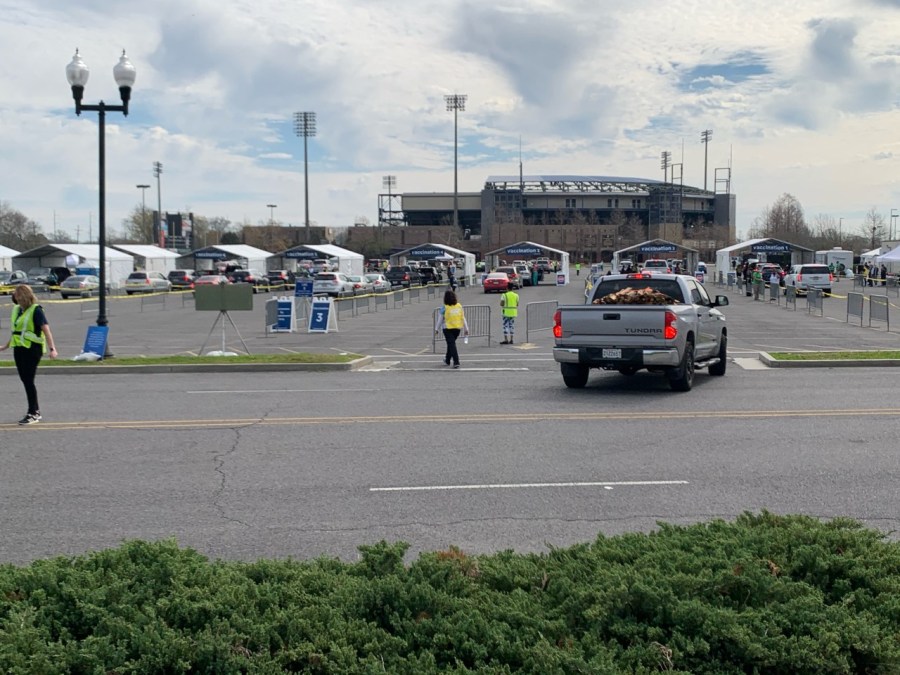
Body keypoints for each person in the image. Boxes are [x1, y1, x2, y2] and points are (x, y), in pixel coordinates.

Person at [0, 284, 58, 424]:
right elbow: (16, 332)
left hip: (32, 349)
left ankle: (34, 412)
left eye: (17, 294)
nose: (15, 297)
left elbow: (46, 330)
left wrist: (52, 349)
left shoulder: (36, 310)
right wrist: (5, 346)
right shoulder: (17, 310)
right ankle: (34, 410)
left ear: (23, 296)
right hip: (19, 348)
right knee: (25, 380)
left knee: (28, 380)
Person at [434, 289, 468, 369]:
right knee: (451, 344)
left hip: (447, 328)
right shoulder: (459, 306)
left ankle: (456, 361)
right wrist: (466, 328)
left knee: (452, 345)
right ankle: (447, 359)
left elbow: (440, 320)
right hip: (457, 328)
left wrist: (436, 329)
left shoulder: (444, 308)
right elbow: (463, 318)